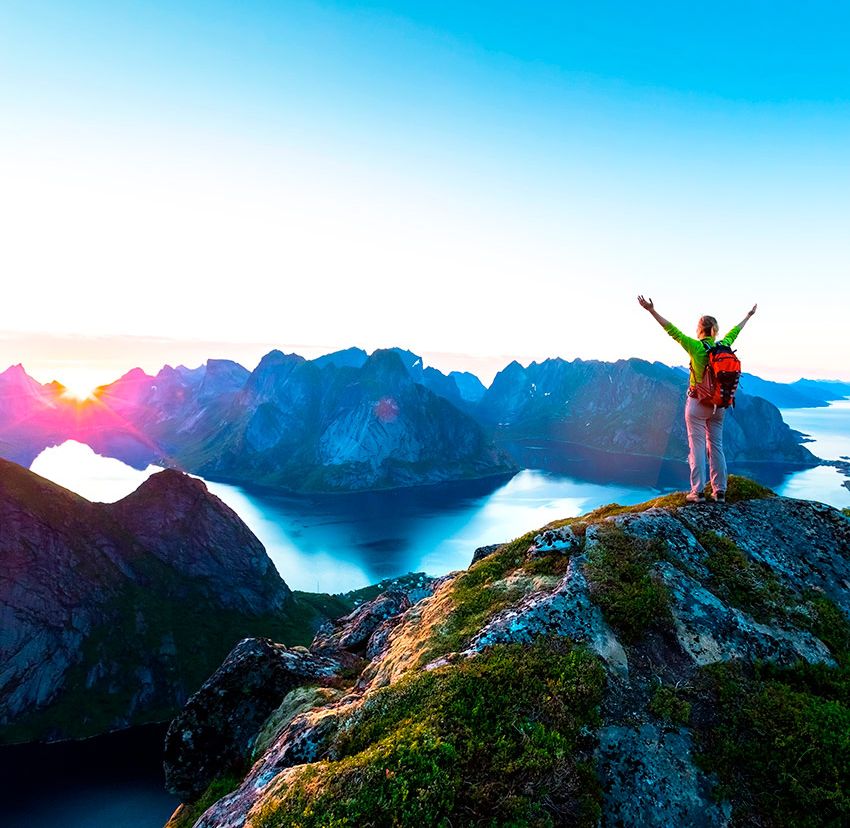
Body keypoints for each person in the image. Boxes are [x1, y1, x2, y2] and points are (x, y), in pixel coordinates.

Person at [637, 296, 757, 503]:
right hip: (720, 405)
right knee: (716, 446)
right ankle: (720, 491)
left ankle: (698, 491)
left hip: (698, 404)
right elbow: (735, 332)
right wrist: (748, 316)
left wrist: (651, 311)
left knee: (698, 447)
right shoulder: (724, 345)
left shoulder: (695, 346)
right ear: (715, 330)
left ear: (699, 329)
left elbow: (671, 330)